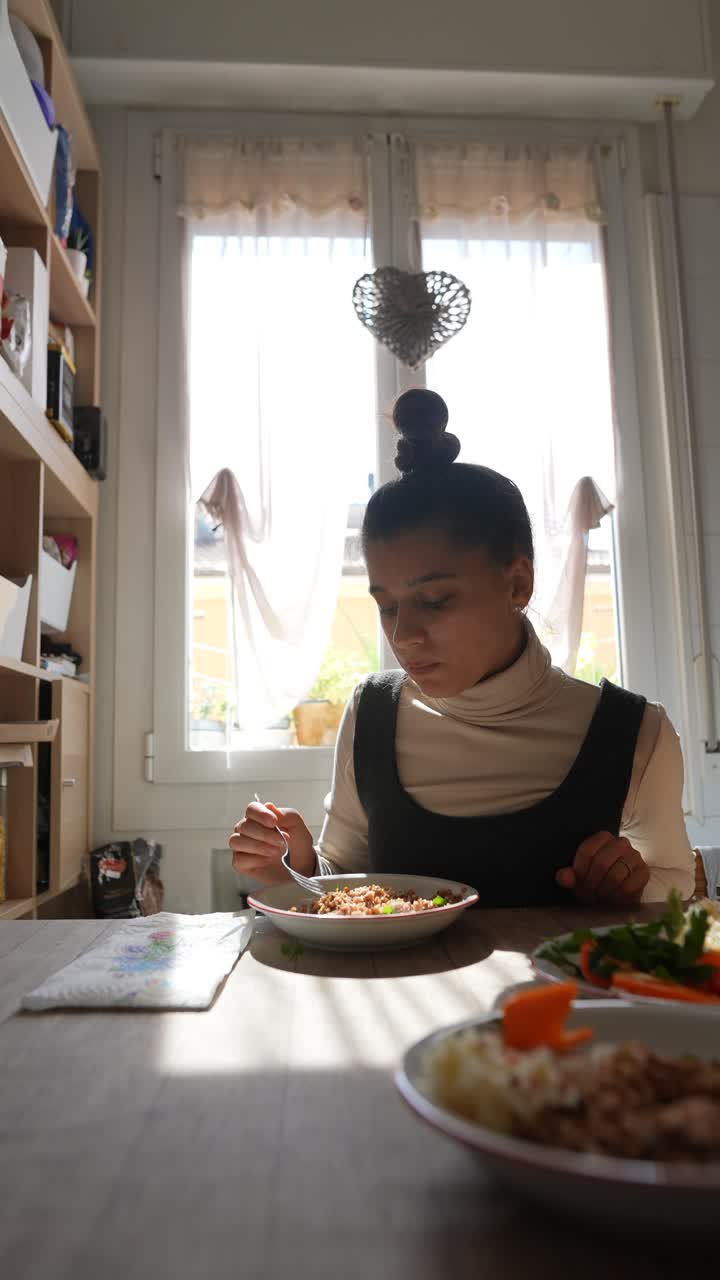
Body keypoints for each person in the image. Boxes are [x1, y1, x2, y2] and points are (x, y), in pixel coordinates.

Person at [229, 389, 695, 907]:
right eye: (386, 606)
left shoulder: (635, 732)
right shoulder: (373, 714)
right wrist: (300, 864)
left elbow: (675, 879)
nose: (404, 635)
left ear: (518, 584)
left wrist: (629, 882)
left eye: (434, 600)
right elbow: (349, 878)